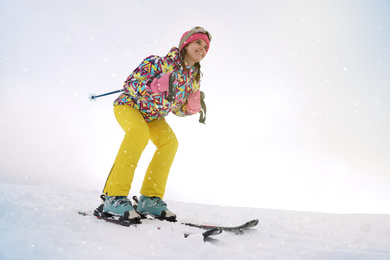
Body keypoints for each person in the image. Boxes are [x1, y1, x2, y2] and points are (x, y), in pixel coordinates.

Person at [100, 27, 212, 222]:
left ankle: (149, 199)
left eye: (205, 46)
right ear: (186, 43)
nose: (202, 48)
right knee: (138, 133)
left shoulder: (192, 81)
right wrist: (154, 86)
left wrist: (190, 109)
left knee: (170, 143)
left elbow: (175, 109)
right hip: (129, 105)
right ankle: (114, 196)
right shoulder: (158, 62)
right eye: (198, 42)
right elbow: (131, 84)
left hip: (153, 116)